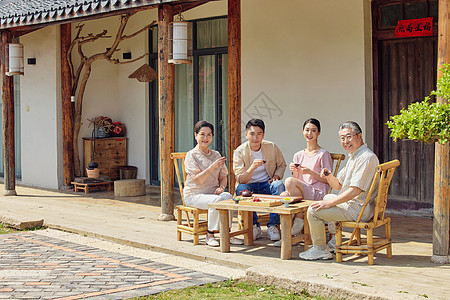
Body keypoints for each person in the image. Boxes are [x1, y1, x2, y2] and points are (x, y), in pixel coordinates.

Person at [299, 121, 379, 260]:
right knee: (327, 197)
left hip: (359, 209)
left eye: (349, 136)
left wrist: (330, 204)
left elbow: (355, 191)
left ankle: (320, 249)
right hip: (356, 205)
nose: (345, 141)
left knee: (313, 211)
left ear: (359, 136)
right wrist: (328, 176)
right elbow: (339, 186)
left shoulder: (365, 158)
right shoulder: (355, 156)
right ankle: (334, 240)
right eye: (342, 138)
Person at [183, 120, 244, 247]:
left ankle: (226, 233)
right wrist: (212, 167)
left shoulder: (216, 154)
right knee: (216, 201)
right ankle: (210, 235)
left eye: (209, 135)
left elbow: (223, 176)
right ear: (196, 136)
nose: (205, 138)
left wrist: (222, 187)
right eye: (202, 134)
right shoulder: (191, 155)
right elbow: (197, 180)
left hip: (212, 193)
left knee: (228, 197)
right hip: (194, 194)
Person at [277, 118, 333, 247]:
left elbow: (328, 180)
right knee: (283, 196)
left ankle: (297, 222)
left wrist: (310, 172)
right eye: (307, 130)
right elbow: (297, 180)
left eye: (313, 130)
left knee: (289, 181)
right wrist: (295, 171)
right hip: (301, 193)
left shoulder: (323, 154)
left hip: (318, 192)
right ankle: (288, 233)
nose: (310, 133)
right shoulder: (298, 155)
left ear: (319, 133)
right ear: (303, 132)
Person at [234, 118, 287, 241]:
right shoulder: (239, 152)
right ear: (246, 134)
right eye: (252, 134)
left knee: (279, 185)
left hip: (266, 184)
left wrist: (276, 176)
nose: (255, 138)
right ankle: (254, 226)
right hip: (249, 186)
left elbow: (281, 165)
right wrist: (252, 168)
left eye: (259, 134)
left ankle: (273, 226)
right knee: (240, 189)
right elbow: (240, 179)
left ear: (263, 134)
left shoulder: (272, 147)